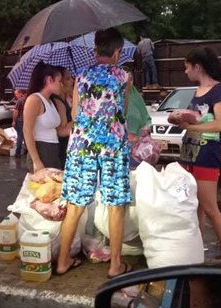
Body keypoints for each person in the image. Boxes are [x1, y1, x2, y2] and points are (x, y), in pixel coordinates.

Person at [57, 28, 133, 278]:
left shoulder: (81, 76)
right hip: (112, 144)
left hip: (82, 146)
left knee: (75, 206)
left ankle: (63, 261)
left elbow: (76, 114)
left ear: (95, 50)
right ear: (118, 52)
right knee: (115, 206)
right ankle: (115, 266)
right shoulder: (124, 76)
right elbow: (123, 113)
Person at [178, 47, 221, 262]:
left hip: (206, 156)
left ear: (197, 67)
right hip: (189, 155)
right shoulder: (197, 91)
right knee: (195, 208)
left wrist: (192, 128)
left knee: (210, 208)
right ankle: (197, 254)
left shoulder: (219, 90)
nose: (185, 71)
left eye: (186, 67)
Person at [23, 62, 63, 172]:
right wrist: (36, 160)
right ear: (49, 80)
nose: (61, 85)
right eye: (59, 81)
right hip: (41, 149)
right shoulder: (34, 99)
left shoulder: (51, 101)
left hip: (53, 150)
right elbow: (27, 130)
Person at [126, 71, 152, 169]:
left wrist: (146, 126)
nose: (129, 82)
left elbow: (146, 117)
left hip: (137, 143)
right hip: (121, 142)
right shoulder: (116, 96)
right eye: (126, 79)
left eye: (131, 79)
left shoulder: (135, 95)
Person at [51, 67, 74, 165]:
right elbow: (62, 131)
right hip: (63, 148)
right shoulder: (58, 102)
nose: (72, 81)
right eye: (67, 79)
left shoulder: (65, 99)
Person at [12, 89, 27, 157]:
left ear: (21, 93)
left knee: (20, 135)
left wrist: (14, 121)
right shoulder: (29, 98)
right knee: (27, 136)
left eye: (17, 94)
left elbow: (16, 111)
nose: (16, 96)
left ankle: (18, 151)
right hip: (27, 120)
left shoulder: (20, 100)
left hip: (20, 120)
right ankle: (27, 150)